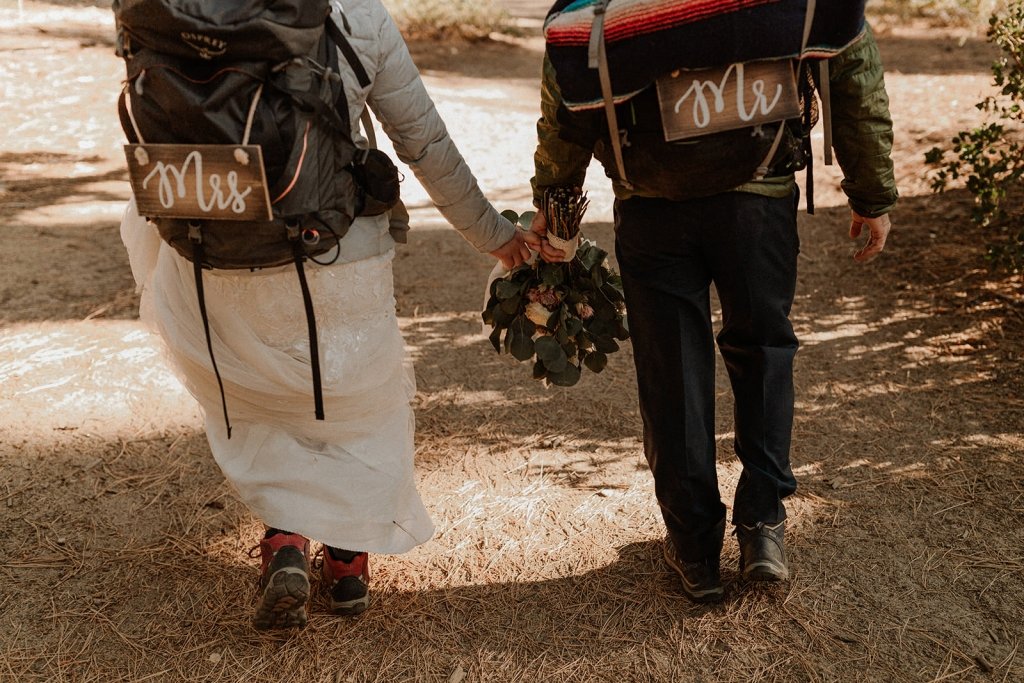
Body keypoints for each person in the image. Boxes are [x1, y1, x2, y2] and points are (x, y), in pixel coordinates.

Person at [120, 0, 538, 629]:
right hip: (335, 251)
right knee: (354, 403)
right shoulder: (354, 16)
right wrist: (496, 237)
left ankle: (285, 542)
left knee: (262, 401)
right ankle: (346, 562)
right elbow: (422, 141)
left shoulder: (170, 10)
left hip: (211, 252)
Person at [529, 23, 897, 602]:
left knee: (671, 368)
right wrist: (871, 192)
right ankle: (762, 523)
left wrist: (556, 200)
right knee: (765, 349)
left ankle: (694, 544)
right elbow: (852, 64)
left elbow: (567, 83)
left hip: (652, 204)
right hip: (759, 197)